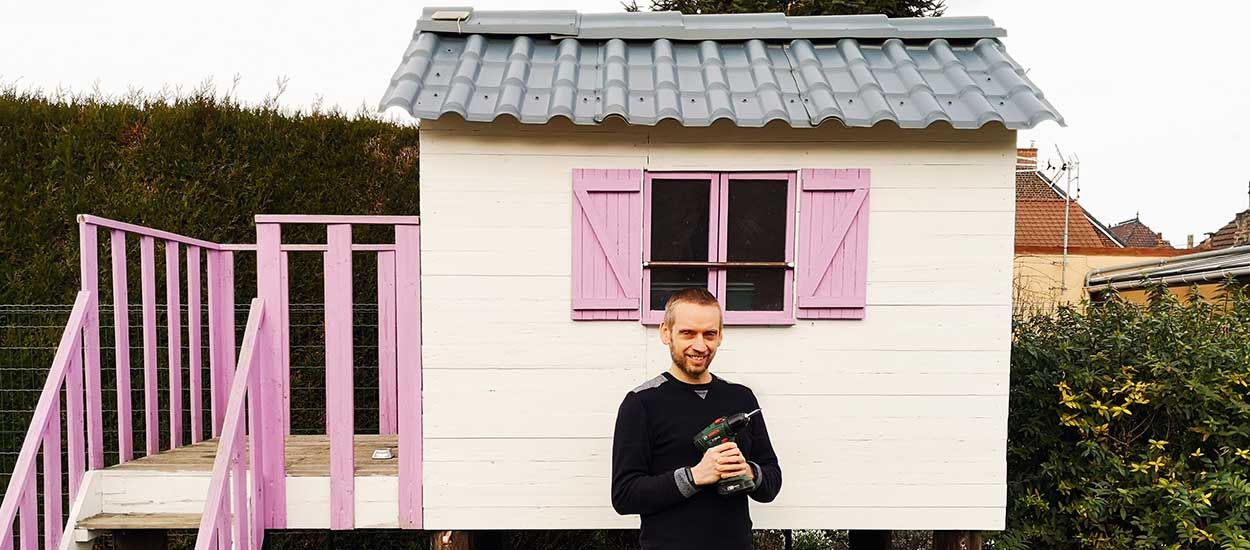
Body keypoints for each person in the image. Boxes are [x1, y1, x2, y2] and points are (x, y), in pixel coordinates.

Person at [610, 288, 782, 549]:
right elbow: (624, 495)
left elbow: (772, 480)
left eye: (709, 334)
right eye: (688, 333)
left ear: (720, 336)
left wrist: (748, 471)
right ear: (666, 333)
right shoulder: (641, 403)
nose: (700, 346)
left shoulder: (742, 399)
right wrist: (695, 476)